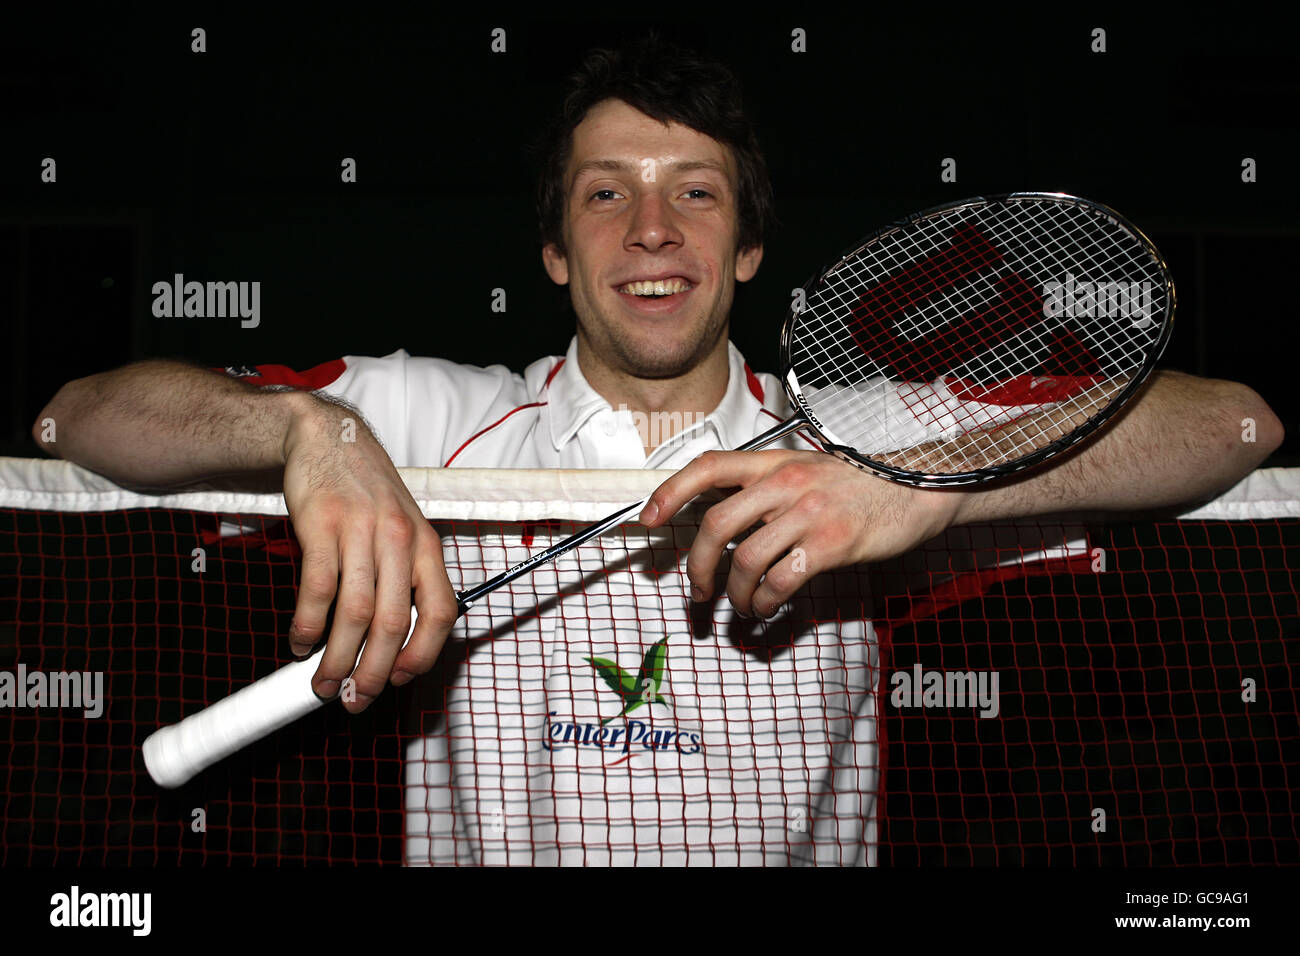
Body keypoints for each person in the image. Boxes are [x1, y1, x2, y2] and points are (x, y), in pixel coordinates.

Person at [33, 38, 1283, 864]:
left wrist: (925, 488)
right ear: (552, 249)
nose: (649, 228)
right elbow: (77, 418)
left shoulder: (857, 436)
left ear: (746, 247)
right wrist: (308, 429)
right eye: (603, 192)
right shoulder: (419, 418)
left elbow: (1235, 426)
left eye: (694, 190)